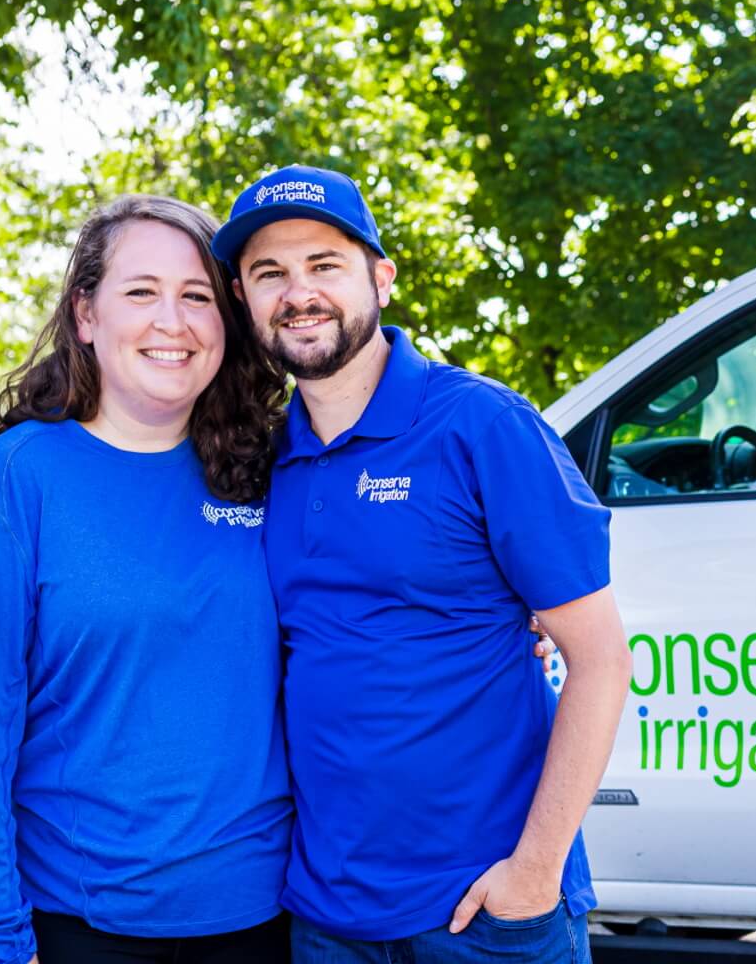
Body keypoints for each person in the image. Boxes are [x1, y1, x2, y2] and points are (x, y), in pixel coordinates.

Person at [211, 165, 634, 964]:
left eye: (324, 265)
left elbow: (601, 660)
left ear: (382, 277)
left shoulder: (483, 427)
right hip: (326, 917)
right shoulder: (260, 462)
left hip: (488, 915)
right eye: (270, 274)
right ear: (244, 301)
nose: (298, 293)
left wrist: (534, 875)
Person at [0, 195, 295, 964]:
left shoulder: (270, 469)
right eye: (140, 292)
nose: (172, 321)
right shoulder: (16, 483)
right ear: (85, 314)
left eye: (197, 296)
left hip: (271, 918)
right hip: (87, 928)